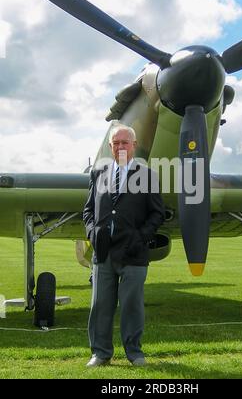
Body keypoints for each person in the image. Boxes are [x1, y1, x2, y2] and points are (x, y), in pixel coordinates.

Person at [83, 124, 165, 367]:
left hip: (134, 252)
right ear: (110, 147)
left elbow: (157, 213)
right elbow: (88, 209)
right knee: (100, 305)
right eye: (115, 143)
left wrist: (140, 238)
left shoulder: (148, 175)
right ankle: (100, 353)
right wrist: (92, 232)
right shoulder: (98, 175)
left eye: (124, 142)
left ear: (134, 145)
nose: (120, 146)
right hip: (104, 251)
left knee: (131, 305)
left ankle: (134, 353)